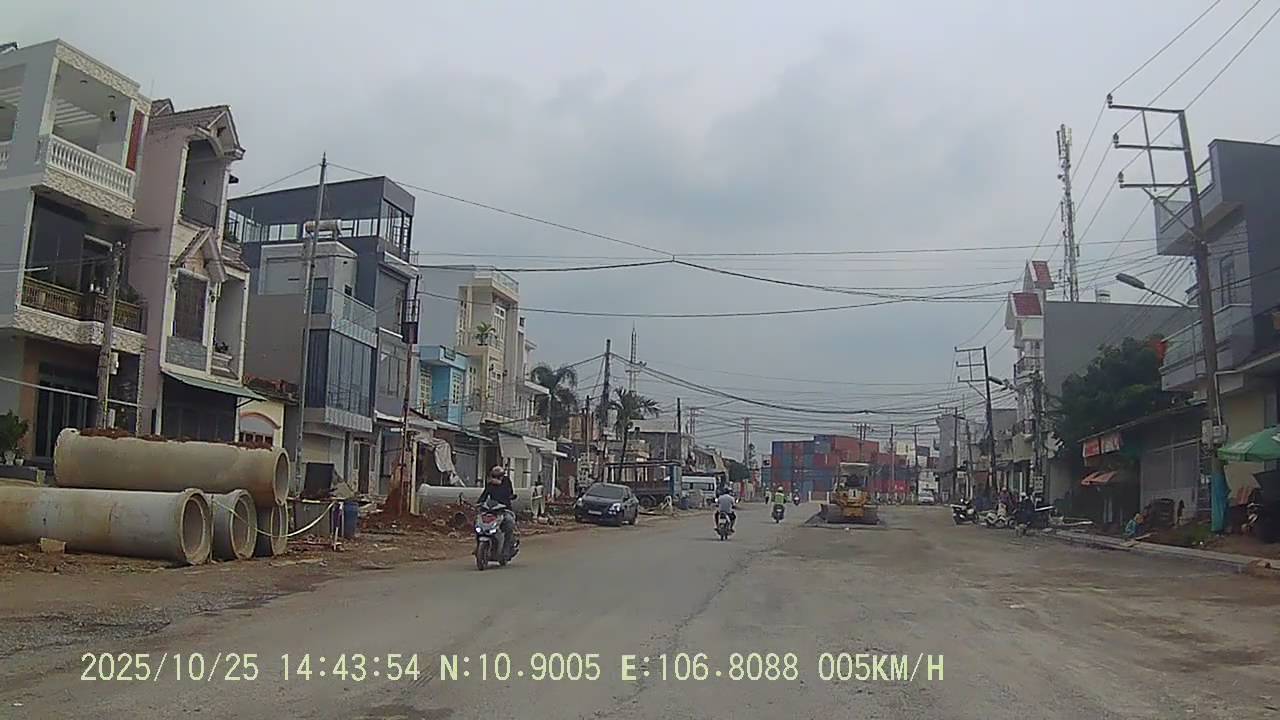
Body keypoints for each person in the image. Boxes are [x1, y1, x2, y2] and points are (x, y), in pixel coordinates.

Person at [478, 465, 517, 546]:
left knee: (509, 522)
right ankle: (478, 545)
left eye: (498, 476)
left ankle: (506, 547)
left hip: (504, 510)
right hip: (492, 510)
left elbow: (510, 492)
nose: (496, 478)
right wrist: (479, 503)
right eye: (494, 476)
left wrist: (510, 496)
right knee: (479, 523)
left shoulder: (506, 482)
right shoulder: (490, 484)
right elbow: (484, 495)